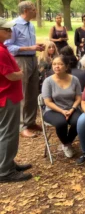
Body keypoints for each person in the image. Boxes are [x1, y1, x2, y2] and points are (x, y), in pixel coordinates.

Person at [5, 0, 44, 138]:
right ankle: (22, 126)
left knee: (33, 90)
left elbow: (28, 44)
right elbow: (8, 46)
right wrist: (29, 48)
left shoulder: (31, 26)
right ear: (26, 10)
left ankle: (30, 121)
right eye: (33, 9)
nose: (36, 11)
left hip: (33, 59)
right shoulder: (14, 25)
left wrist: (36, 46)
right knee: (23, 92)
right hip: (20, 60)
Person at [0, 18, 33, 183]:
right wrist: (20, 73)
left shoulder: (3, 48)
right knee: (8, 134)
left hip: (8, 97)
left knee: (8, 133)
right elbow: (11, 75)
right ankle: (5, 171)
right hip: (6, 98)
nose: (10, 33)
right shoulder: (0, 51)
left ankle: (8, 163)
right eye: (6, 30)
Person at [42, 55, 82, 158]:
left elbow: (78, 98)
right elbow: (47, 102)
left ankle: (67, 142)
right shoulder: (48, 81)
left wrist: (72, 109)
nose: (56, 66)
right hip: (53, 110)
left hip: (72, 108)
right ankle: (66, 144)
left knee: (79, 121)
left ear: (66, 66)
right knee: (61, 123)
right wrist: (62, 111)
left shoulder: (74, 80)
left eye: (60, 64)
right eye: (54, 64)